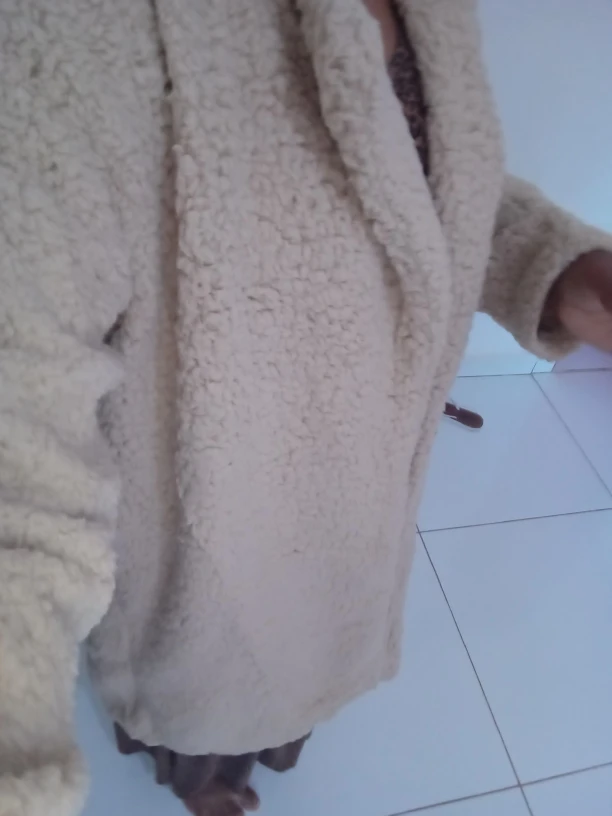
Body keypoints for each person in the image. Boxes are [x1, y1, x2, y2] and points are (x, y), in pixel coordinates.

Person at [1, 1, 611, 814]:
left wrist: (558, 266)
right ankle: (206, 787)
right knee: (209, 717)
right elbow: (19, 454)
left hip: (352, 522)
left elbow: (425, 172)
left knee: (299, 678)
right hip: (209, 563)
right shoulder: (73, 28)